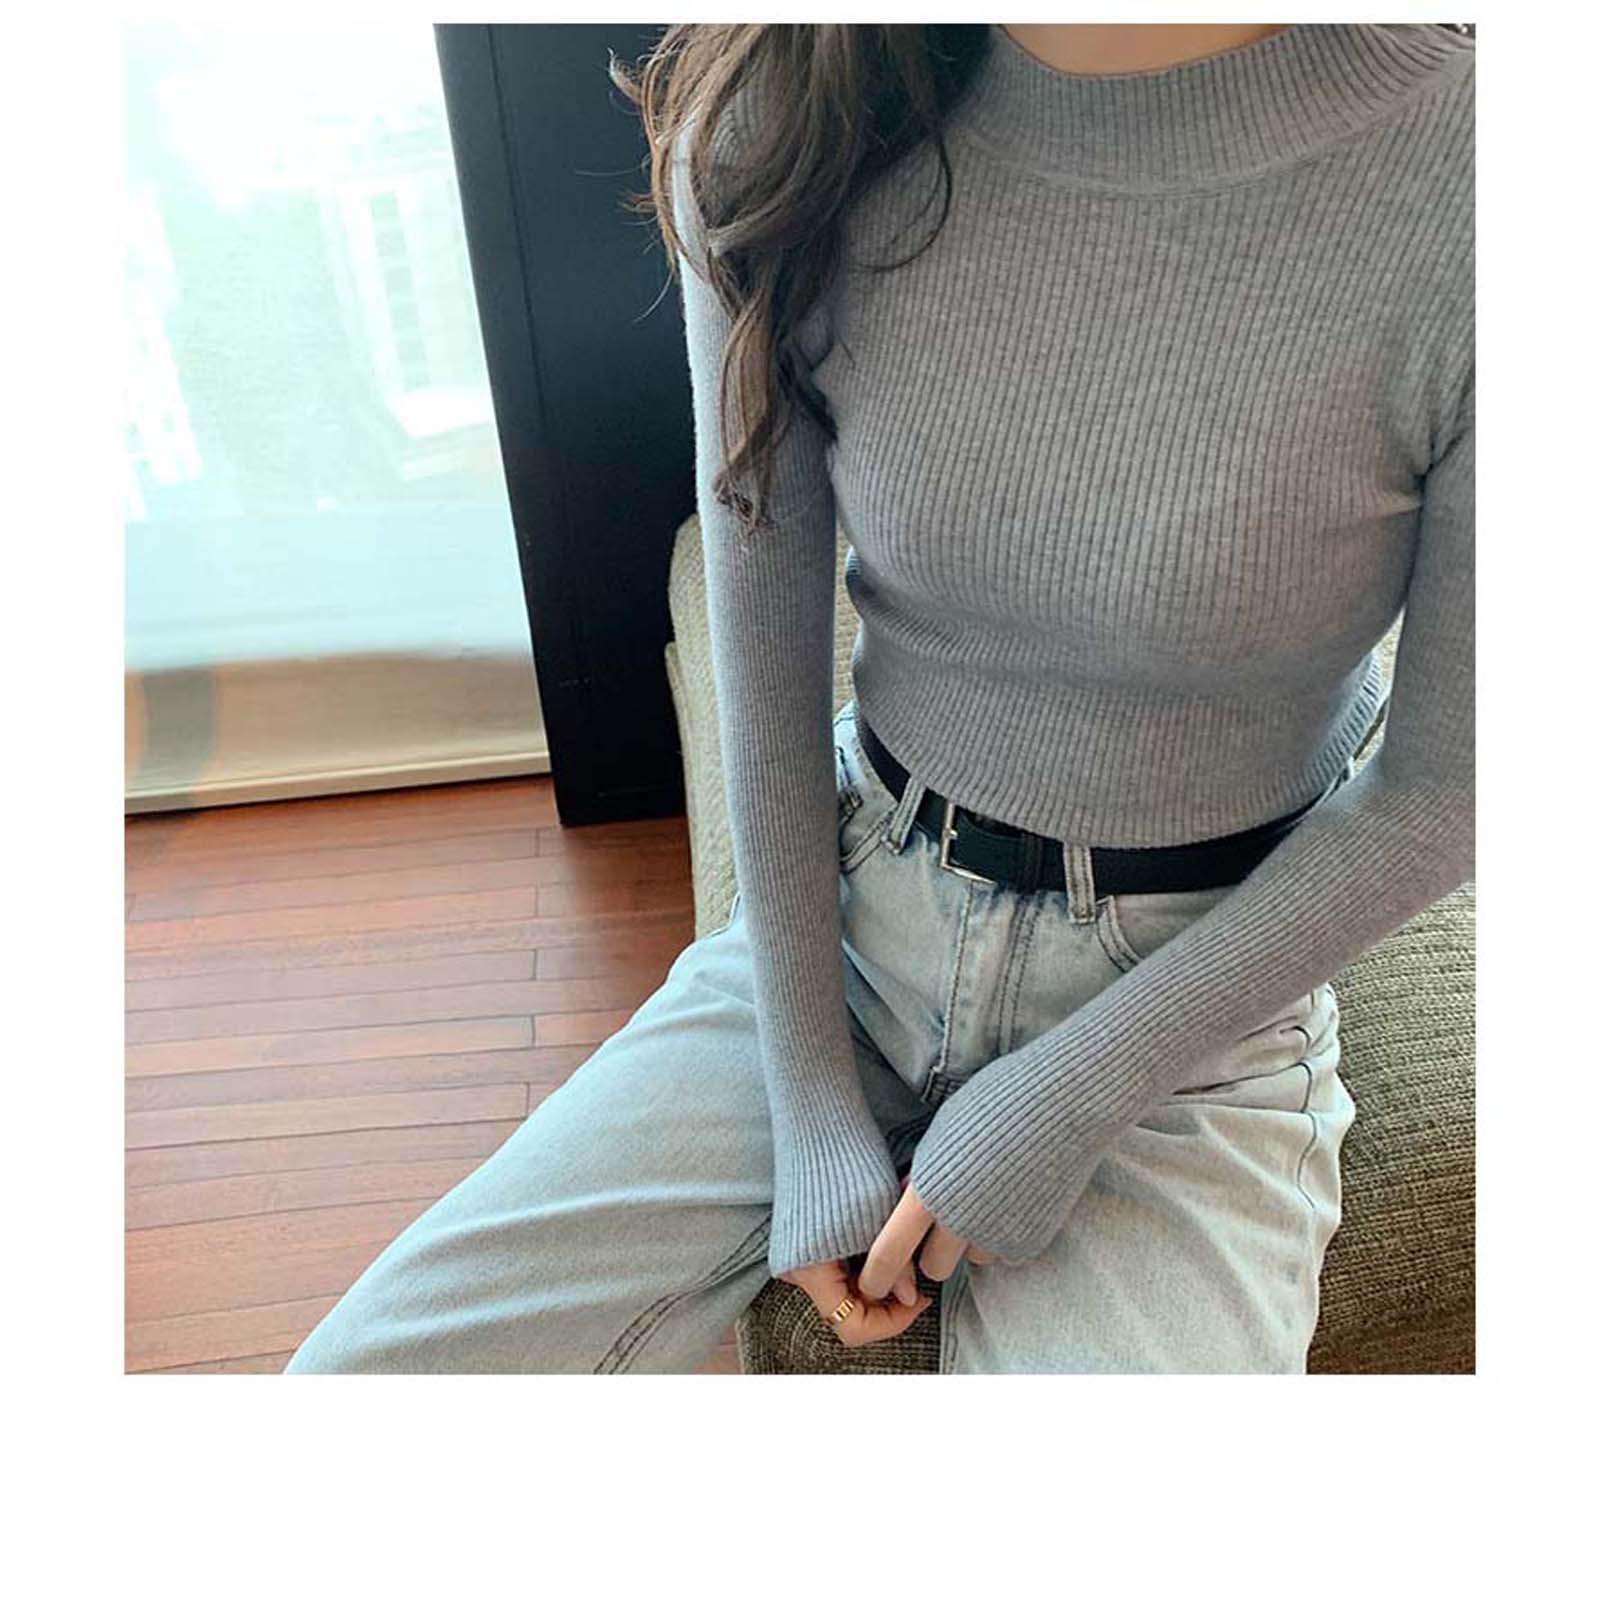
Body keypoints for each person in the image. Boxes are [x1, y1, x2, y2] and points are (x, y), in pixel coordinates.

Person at [286, 22, 1473, 1374]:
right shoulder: (783, 108)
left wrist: (1067, 1097)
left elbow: (1449, 790)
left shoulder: (1479, 180)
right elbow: (764, 657)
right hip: (861, 912)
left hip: (1196, 1000)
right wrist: (805, 1096)